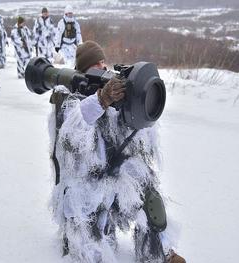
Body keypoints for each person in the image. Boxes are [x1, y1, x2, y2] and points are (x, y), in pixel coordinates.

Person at [49, 40, 186, 263]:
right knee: (90, 250)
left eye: (103, 62)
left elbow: (137, 142)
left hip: (112, 180)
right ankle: (75, 240)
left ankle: (161, 251)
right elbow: (71, 137)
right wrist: (101, 100)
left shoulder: (113, 95)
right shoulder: (70, 100)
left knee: (147, 188)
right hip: (84, 191)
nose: (102, 67)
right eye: (95, 64)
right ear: (84, 70)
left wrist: (136, 106)